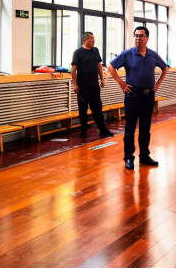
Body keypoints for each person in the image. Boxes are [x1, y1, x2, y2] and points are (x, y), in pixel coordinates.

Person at [108, 26, 169, 170]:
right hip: (133, 96)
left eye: (141, 36)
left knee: (145, 128)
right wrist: (121, 83)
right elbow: (111, 67)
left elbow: (165, 67)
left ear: (147, 38)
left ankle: (144, 156)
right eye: (136, 35)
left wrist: (157, 84)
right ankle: (129, 157)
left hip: (148, 96)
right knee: (130, 128)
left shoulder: (153, 55)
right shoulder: (128, 54)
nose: (138, 38)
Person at [71, 32, 114, 139]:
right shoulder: (78, 52)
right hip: (83, 87)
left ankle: (102, 130)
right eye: (91, 38)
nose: (93, 40)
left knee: (97, 109)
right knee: (83, 110)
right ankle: (84, 131)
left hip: (94, 86)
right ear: (85, 40)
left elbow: (99, 65)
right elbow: (73, 69)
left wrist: (102, 79)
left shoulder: (95, 50)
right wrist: (75, 84)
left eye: (93, 38)